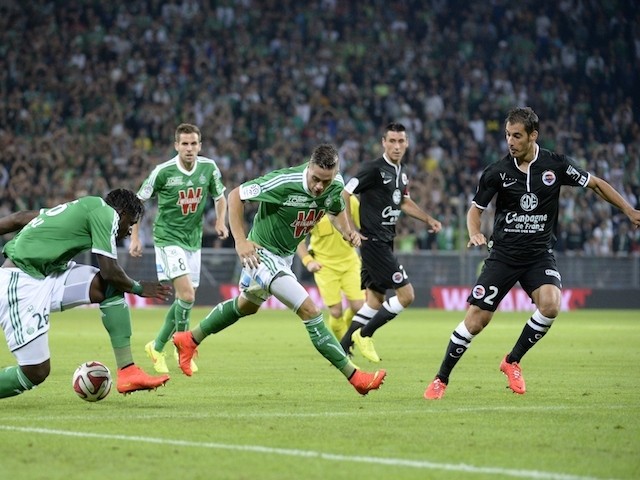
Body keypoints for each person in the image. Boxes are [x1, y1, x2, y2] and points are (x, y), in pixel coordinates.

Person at [424, 107, 640, 400]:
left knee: (551, 304)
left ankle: (512, 360)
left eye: (516, 136)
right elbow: (475, 210)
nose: (510, 142)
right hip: (503, 255)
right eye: (507, 136)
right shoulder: (497, 172)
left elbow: (596, 185)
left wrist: (629, 210)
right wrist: (475, 232)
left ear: (533, 136)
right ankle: (441, 379)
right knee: (476, 320)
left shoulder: (556, 164)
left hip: (538, 254)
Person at [172, 143, 386, 395]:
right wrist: (240, 241)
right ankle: (356, 377)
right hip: (261, 252)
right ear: (308, 167)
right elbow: (235, 196)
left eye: (325, 181)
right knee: (310, 310)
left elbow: (336, 210)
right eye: (316, 179)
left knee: (246, 306)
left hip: (283, 256)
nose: (320, 186)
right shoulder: (284, 182)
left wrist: (347, 231)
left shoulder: (335, 185)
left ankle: (189, 339)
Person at [0, 189, 172, 399]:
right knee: (35, 372)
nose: (129, 231)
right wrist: (139, 288)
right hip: (21, 280)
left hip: (49, 274)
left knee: (110, 288)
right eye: (131, 222)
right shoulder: (107, 214)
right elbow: (110, 271)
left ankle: (128, 371)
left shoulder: (82, 207)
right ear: (122, 212)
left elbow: (20, 218)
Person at [129, 123, 228, 374]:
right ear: (176, 146)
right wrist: (135, 237)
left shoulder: (209, 168)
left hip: (193, 241)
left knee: (185, 298)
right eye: (184, 144)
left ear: (200, 146)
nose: (189, 148)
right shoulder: (163, 172)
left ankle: (157, 345)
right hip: (167, 238)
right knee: (187, 296)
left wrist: (219, 220)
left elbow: (220, 197)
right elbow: (137, 203)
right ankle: (182, 347)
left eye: (194, 144)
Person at [340, 122, 442, 362]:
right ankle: (365, 335)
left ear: (406, 143)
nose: (397, 146)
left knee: (375, 301)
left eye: (401, 141)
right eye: (392, 141)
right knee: (407, 296)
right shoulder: (372, 169)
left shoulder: (401, 171)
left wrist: (428, 218)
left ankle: (343, 346)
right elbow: (344, 193)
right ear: (383, 143)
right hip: (373, 242)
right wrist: (350, 229)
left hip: (386, 241)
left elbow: (404, 202)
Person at [296, 194, 365, 341]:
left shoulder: (350, 200)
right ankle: (345, 345)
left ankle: (347, 329)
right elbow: (298, 240)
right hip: (324, 265)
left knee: (359, 306)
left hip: (350, 261)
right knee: (335, 311)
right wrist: (309, 261)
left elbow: (364, 226)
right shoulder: (310, 206)